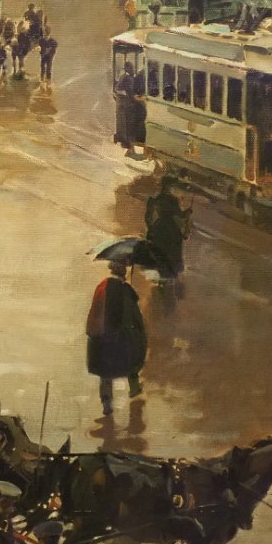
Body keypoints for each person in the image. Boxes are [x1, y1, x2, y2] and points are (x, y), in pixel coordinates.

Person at [86, 259, 146, 415]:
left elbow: (94, 313)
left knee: (105, 372)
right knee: (132, 361)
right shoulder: (127, 291)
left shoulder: (102, 287)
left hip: (104, 339)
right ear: (123, 272)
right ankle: (134, 388)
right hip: (123, 339)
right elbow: (135, 317)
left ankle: (107, 404)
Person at [144, 176, 191, 278]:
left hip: (159, 226)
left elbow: (148, 217)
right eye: (171, 186)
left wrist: (151, 228)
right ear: (169, 186)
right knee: (173, 248)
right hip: (170, 227)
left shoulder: (157, 198)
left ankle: (161, 269)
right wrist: (187, 212)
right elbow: (179, 214)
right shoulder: (173, 200)